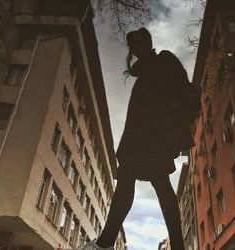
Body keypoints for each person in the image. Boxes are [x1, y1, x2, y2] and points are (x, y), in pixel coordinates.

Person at [81, 27, 194, 250]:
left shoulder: (163, 60)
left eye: (140, 43)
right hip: (136, 140)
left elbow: (184, 91)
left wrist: (175, 133)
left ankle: (106, 244)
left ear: (149, 42)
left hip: (155, 138)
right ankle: (105, 243)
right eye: (133, 45)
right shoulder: (142, 73)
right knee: (128, 185)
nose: (136, 48)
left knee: (161, 187)